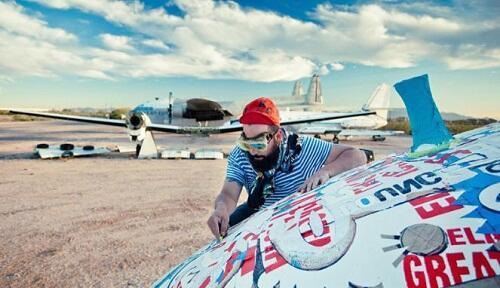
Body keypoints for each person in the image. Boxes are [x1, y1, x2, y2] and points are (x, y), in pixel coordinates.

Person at [207, 97, 367, 239]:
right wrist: (221, 209)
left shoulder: (303, 146)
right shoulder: (240, 154)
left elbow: (357, 156)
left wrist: (326, 171)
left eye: (258, 143)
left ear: (278, 136)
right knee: (226, 232)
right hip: (260, 209)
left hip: (301, 214)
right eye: (246, 143)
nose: (252, 150)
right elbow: (228, 193)